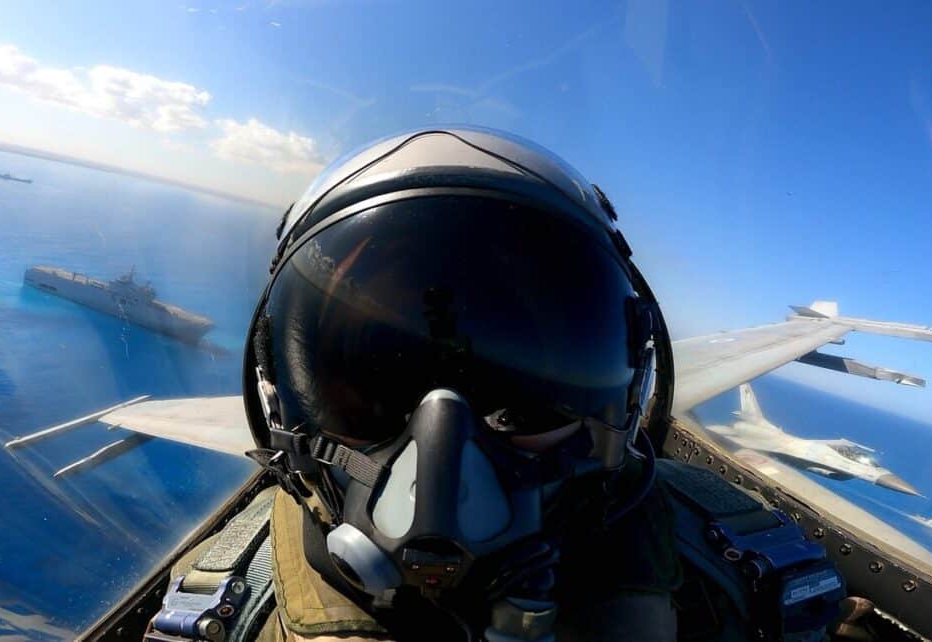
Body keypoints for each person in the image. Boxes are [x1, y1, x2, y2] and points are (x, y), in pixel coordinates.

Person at [158, 127, 681, 642]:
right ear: (279, 397)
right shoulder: (214, 605)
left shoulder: (729, 569)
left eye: (518, 394)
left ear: (623, 408)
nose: (440, 454)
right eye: (377, 378)